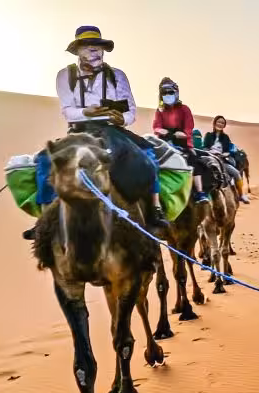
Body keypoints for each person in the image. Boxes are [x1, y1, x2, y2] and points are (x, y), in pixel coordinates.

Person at [25, 25, 167, 240]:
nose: (95, 51)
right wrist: (87, 112)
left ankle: (154, 213)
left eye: (98, 47)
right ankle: (46, 221)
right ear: (78, 51)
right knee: (46, 160)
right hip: (80, 131)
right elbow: (69, 112)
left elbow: (131, 111)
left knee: (148, 154)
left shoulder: (117, 76)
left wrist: (122, 118)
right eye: (89, 47)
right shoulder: (65, 76)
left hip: (113, 129)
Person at [152, 77, 210, 204]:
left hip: (183, 144)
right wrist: (160, 130)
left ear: (176, 93)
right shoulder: (160, 111)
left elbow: (189, 129)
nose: (168, 95)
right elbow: (156, 126)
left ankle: (200, 192)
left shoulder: (184, 109)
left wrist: (182, 134)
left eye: (170, 92)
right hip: (164, 144)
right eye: (165, 93)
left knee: (194, 161)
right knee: (150, 162)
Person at [204, 116, 250, 203]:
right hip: (209, 159)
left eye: (222, 123)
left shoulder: (225, 137)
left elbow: (227, 151)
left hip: (222, 160)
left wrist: (223, 154)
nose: (220, 124)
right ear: (214, 123)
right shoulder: (208, 135)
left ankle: (242, 195)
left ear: (224, 126)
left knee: (236, 173)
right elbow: (205, 147)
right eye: (219, 122)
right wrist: (210, 152)